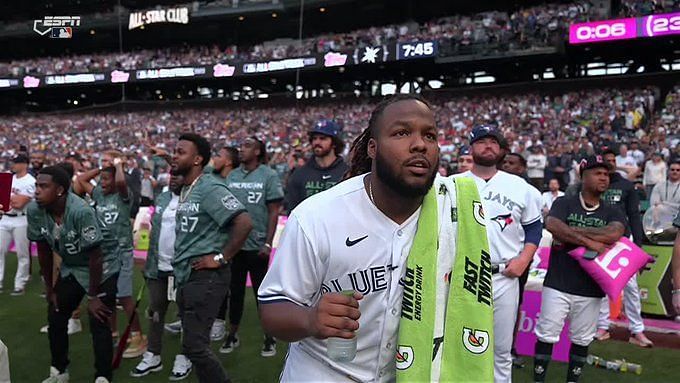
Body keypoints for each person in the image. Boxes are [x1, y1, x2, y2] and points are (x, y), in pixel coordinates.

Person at [258, 95, 494, 382]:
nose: (420, 144)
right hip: (323, 373)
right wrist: (309, 320)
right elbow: (273, 307)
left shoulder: (456, 212)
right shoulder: (317, 216)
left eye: (429, 135)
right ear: (373, 147)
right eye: (401, 132)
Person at [455, 126, 542, 382]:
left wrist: (523, 260)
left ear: (501, 149)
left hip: (503, 275)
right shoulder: (452, 184)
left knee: (501, 350)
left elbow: (534, 229)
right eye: (482, 141)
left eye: (494, 142)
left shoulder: (520, 186)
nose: (489, 146)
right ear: (471, 148)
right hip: (463, 273)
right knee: (459, 345)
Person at [533, 156, 626, 383]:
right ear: (583, 176)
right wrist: (593, 242)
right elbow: (553, 226)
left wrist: (572, 233)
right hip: (559, 282)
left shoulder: (612, 210)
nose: (604, 178)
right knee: (546, 334)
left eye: (607, 174)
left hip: (591, 287)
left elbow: (614, 234)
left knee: (582, 340)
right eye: (598, 173)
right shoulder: (565, 202)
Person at [170, 133, 253, 383]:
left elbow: (244, 222)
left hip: (206, 276)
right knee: (193, 344)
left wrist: (221, 257)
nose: (174, 156)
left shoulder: (209, 187)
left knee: (195, 346)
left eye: (180, 152)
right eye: (174, 151)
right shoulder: (187, 188)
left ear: (197, 160)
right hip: (187, 273)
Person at [28, 166, 119, 383]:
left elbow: (96, 256)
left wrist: (93, 296)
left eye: (43, 186)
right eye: (36, 186)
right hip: (72, 266)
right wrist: (50, 288)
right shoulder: (35, 210)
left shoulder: (80, 210)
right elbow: (43, 249)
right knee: (56, 314)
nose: (37, 191)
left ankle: (103, 376)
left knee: (99, 319)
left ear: (60, 190)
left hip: (101, 266)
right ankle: (60, 370)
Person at [76, 156, 148, 358]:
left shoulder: (123, 196)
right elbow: (81, 180)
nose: (103, 183)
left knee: (124, 296)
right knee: (108, 295)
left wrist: (117, 166)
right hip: (105, 252)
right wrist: (102, 169)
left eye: (107, 180)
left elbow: (121, 182)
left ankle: (138, 336)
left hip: (122, 251)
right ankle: (113, 332)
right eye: (102, 180)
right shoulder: (99, 194)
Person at [221, 136, 284, 357]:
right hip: (234, 245)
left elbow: (274, 211)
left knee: (261, 293)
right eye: (241, 145)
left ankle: (269, 335)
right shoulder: (232, 175)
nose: (241, 149)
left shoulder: (268, 175)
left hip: (257, 245)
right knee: (235, 292)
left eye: (247, 146)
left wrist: (268, 242)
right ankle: (232, 333)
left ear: (257, 152)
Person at [131, 173, 192, 380]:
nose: (173, 179)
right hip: (159, 268)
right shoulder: (163, 198)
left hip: (183, 268)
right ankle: (153, 354)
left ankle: (185, 356)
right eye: (171, 176)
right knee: (156, 312)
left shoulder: (193, 198)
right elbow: (156, 232)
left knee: (186, 314)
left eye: (177, 175)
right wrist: (148, 265)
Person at [594, 150, 652, 347]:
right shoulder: (596, 185)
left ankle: (637, 330)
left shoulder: (626, 186)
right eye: (606, 161)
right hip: (601, 241)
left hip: (624, 242)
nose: (610, 164)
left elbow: (634, 216)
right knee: (602, 285)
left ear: (616, 162)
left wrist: (639, 246)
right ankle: (603, 326)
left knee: (631, 288)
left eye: (613, 160)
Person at [284, 119, 349, 212]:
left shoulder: (347, 172)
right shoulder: (300, 174)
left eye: (322, 138)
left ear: (334, 143)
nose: (317, 142)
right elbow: (292, 210)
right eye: (314, 138)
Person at [0, 154, 35, 295]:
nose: (13, 165)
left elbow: (20, 204)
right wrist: (12, 199)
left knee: (22, 253)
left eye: (16, 162)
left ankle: (20, 284)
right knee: (0, 250)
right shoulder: (9, 178)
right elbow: (3, 201)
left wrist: (10, 199)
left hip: (21, 219)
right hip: (5, 218)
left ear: (24, 164)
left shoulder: (30, 181)